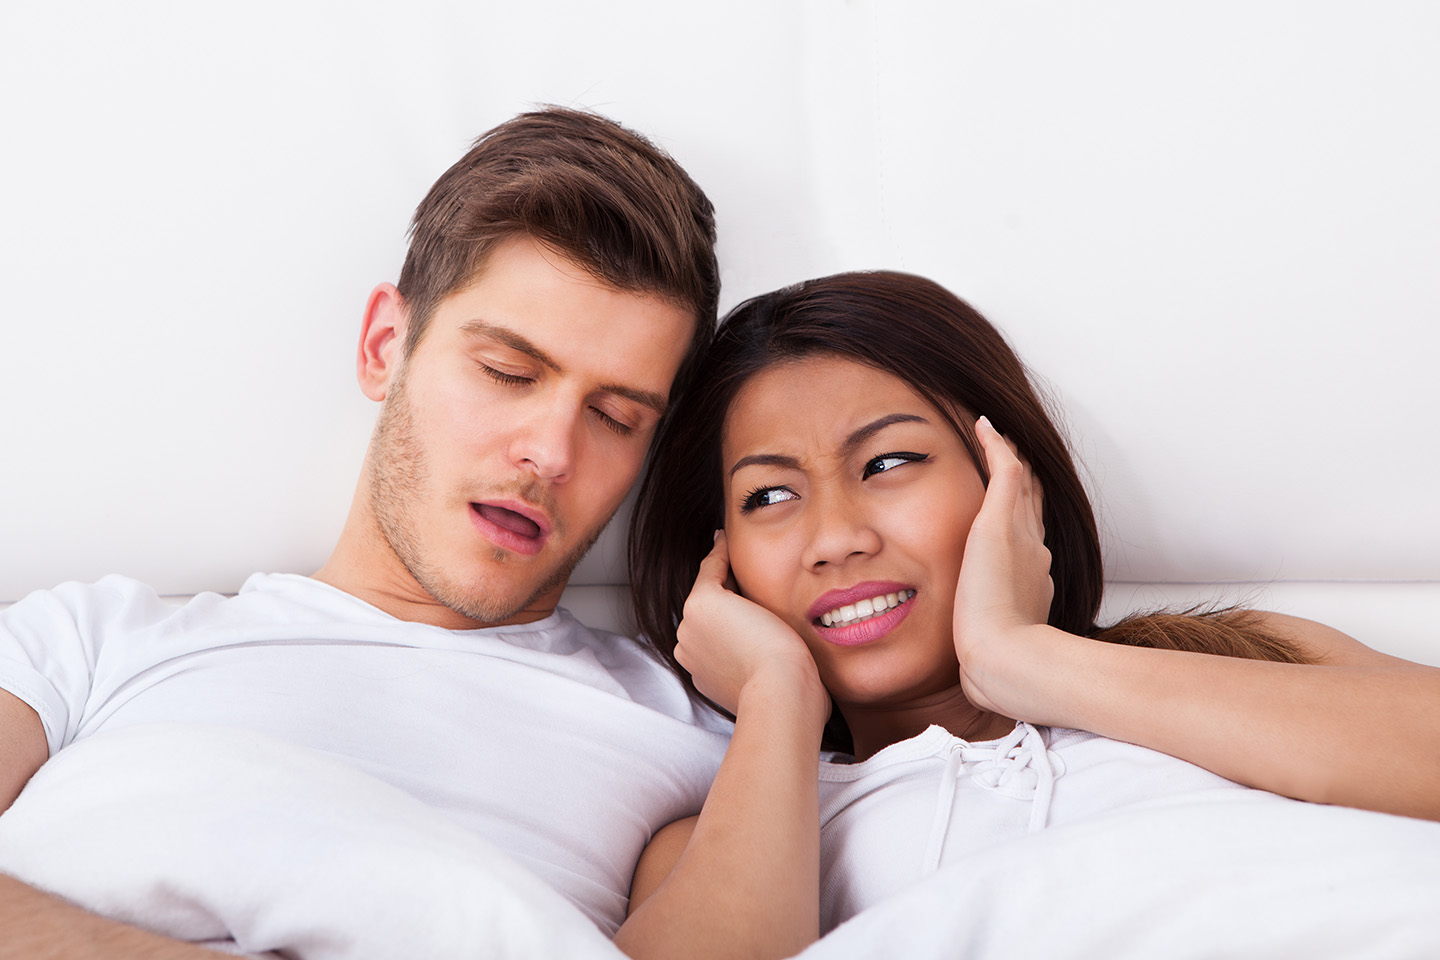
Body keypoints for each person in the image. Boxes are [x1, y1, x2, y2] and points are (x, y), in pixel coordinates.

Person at [0, 107, 732, 955]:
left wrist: (784, 691)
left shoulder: (686, 728)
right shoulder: (82, 645)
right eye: (507, 372)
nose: (550, 452)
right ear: (387, 345)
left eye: (614, 417)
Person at [615, 271, 1440, 960]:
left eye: (890, 461)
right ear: (719, 563)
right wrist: (776, 694)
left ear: (1010, 481)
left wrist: (1023, 659)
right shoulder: (716, 847)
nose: (835, 538)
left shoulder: (1249, 657)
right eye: (771, 495)